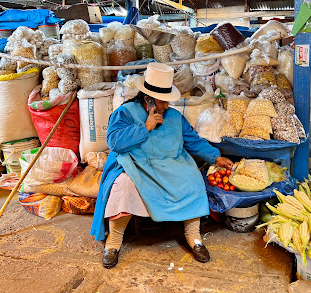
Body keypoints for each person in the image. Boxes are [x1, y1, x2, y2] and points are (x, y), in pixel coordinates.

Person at [90, 62, 233, 269]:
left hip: (171, 164)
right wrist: (145, 127)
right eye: (162, 101)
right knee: (123, 184)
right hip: (136, 165)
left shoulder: (174, 117)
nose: (166, 106)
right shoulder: (126, 112)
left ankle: (194, 237)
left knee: (192, 176)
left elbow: (193, 141)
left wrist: (215, 157)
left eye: (168, 101)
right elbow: (114, 143)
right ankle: (113, 243)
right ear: (147, 99)